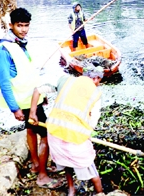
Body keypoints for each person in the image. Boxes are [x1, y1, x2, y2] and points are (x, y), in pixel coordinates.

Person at [0, 8, 62, 189]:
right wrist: (14, 108)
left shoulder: (20, 44)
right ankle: (42, 175)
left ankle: (35, 164)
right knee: (47, 135)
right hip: (24, 103)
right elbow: (4, 82)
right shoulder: (4, 49)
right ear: (11, 25)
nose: (24, 29)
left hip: (31, 99)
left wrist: (40, 96)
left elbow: (27, 75)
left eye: (26, 26)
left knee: (32, 131)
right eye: (19, 26)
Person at [30, 66, 105, 196]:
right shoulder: (95, 94)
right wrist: (87, 134)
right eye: (99, 80)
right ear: (96, 78)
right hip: (75, 138)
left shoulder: (65, 80)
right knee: (89, 167)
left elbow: (37, 90)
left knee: (66, 162)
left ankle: (71, 190)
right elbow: (93, 121)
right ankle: (100, 193)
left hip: (55, 133)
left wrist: (32, 113)